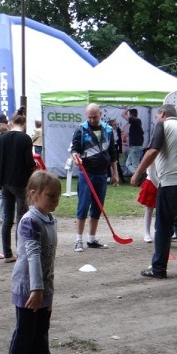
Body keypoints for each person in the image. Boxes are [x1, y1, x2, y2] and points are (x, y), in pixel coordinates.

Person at [3, 170, 62, 354]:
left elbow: (49, 260)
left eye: (57, 196)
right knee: (26, 330)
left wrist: (47, 291)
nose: (55, 200)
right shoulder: (30, 222)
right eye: (50, 196)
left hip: (43, 287)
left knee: (41, 330)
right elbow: (34, 257)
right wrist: (36, 289)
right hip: (28, 288)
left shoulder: (50, 219)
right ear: (34, 194)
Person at [130, 104, 177, 279]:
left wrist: (137, 173)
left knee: (162, 225)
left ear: (162, 114)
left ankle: (158, 268)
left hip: (171, 181)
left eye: (157, 115)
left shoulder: (163, 125)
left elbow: (152, 151)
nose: (156, 119)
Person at [70, 103, 119, 252]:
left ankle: (91, 239)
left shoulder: (108, 130)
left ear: (100, 114)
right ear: (86, 115)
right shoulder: (81, 129)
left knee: (98, 207)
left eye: (95, 117)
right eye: (90, 117)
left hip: (102, 174)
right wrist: (75, 156)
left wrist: (115, 172)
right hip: (87, 174)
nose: (92, 120)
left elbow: (112, 153)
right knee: (83, 206)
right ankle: (79, 240)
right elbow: (74, 149)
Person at [0, 114, 34, 263]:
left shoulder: (1, 138)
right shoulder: (25, 139)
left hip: (5, 183)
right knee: (21, 219)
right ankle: (21, 252)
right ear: (24, 124)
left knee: (7, 219)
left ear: (11, 123)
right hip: (21, 184)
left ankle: (7, 253)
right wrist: (34, 167)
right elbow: (28, 162)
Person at [136, 156, 158, 243]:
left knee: (163, 211)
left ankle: (161, 232)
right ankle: (147, 233)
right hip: (152, 183)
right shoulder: (152, 155)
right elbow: (152, 174)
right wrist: (159, 187)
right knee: (149, 209)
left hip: (165, 182)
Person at [122, 107, 144, 175]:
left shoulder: (134, 120)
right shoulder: (138, 121)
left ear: (130, 114)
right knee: (128, 164)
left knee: (135, 165)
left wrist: (127, 108)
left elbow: (123, 114)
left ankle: (138, 177)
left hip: (135, 146)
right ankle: (137, 175)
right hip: (135, 146)